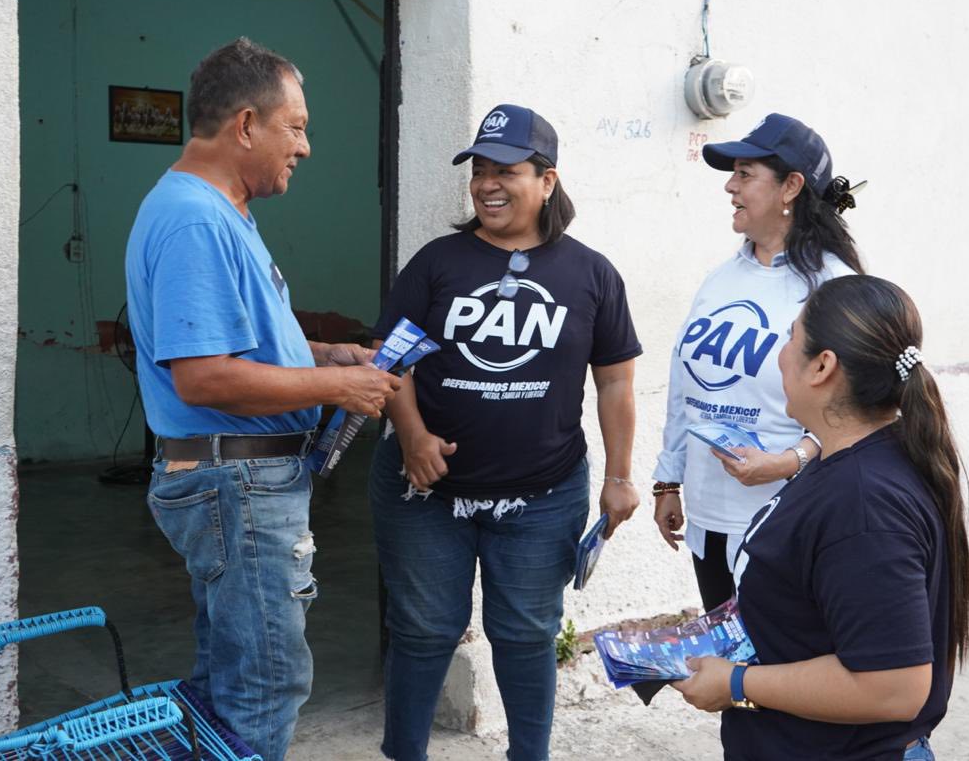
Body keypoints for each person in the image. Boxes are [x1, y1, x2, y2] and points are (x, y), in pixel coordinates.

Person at [124, 37, 402, 760]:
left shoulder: (219, 210)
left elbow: (234, 342)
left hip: (237, 479)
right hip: (238, 483)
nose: (304, 147)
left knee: (230, 677)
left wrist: (325, 354)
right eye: (296, 127)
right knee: (265, 682)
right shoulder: (195, 219)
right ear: (246, 125)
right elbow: (204, 377)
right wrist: (340, 385)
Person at [369, 104, 642, 761]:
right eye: (480, 171)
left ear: (547, 181)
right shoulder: (438, 263)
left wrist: (620, 476)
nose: (487, 184)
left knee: (525, 634)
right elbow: (388, 358)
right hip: (424, 495)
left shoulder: (591, 274)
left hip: (542, 497)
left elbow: (614, 383)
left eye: (506, 171)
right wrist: (413, 436)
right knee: (423, 631)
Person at [671, 274, 969, 761]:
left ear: (822, 366)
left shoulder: (864, 502)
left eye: (790, 338)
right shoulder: (852, 460)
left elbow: (894, 687)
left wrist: (737, 682)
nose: (779, 355)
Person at [651, 113, 864, 610]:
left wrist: (788, 462)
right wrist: (669, 480)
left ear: (791, 187)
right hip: (708, 518)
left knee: (776, 656)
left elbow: (860, 410)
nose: (730, 186)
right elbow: (684, 388)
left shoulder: (835, 287)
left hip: (786, 516)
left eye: (745, 175)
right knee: (727, 652)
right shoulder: (720, 280)